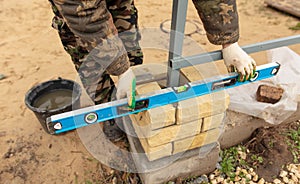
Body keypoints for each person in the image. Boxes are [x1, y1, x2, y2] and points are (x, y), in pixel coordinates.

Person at [48, 0, 256, 137]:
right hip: (79, 11)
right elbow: (84, 13)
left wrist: (228, 40)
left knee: (129, 48)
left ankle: (136, 97)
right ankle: (110, 112)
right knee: (90, 60)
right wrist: (120, 69)